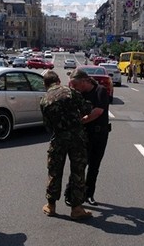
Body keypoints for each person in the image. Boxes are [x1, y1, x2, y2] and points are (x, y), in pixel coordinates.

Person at [40, 71, 92, 220]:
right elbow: (86, 109)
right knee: (78, 172)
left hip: (58, 139)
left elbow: (48, 126)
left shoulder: (44, 100)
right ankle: (76, 209)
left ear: (45, 84)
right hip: (77, 138)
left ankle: (51, 206)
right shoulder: (69, 92)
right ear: (58, 80)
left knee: (54, 171)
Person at [69, 69, 110, 206]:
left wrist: (79, 122)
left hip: (100, 134)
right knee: (79, 164)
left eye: (75, 85)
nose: (75, 88)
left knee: (94, 166)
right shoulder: (79, 93)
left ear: (83, 81)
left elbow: (97, 112)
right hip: (84, 134)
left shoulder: (100, 91)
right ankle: (70, 193)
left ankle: (89, 194)